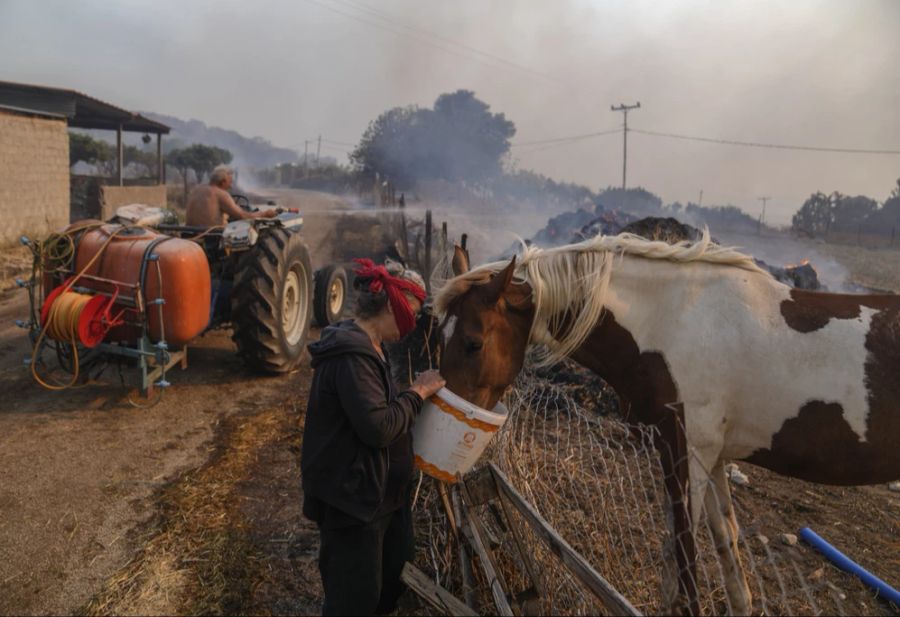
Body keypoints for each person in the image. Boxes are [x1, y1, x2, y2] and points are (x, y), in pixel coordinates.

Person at [301, 258, 445, 616]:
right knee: (353, 601)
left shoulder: (373, 347)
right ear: (389, 306)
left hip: (380, 497)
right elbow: (378, 427)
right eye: (409, 313)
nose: (411, 325)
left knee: (391, 581)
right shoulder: (353, 355)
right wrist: (418, 393)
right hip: (355, 502)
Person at [184, 165, 277, 227]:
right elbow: (242, 215)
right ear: (223, 181)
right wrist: (264, 214)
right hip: (211, 238)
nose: (230, 186)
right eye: (230, 182)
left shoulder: (196, 190)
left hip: (189, 234)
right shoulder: (220, 194)